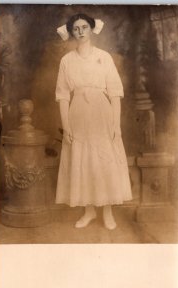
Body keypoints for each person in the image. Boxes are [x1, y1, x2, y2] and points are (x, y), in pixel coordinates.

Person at [55, 13, 132, 230]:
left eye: (84, 27)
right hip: (77, 114)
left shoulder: (104, 57)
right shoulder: (66, 61)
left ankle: (107, 212)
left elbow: (115, 93)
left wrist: (116, 126)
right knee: (83, 162)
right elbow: (62, 95)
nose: (80, 32)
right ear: (71, 32)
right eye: (76, 28)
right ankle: (88, 211)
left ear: (91, 29)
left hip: (101, 114)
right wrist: (67, 126)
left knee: (103, 161)